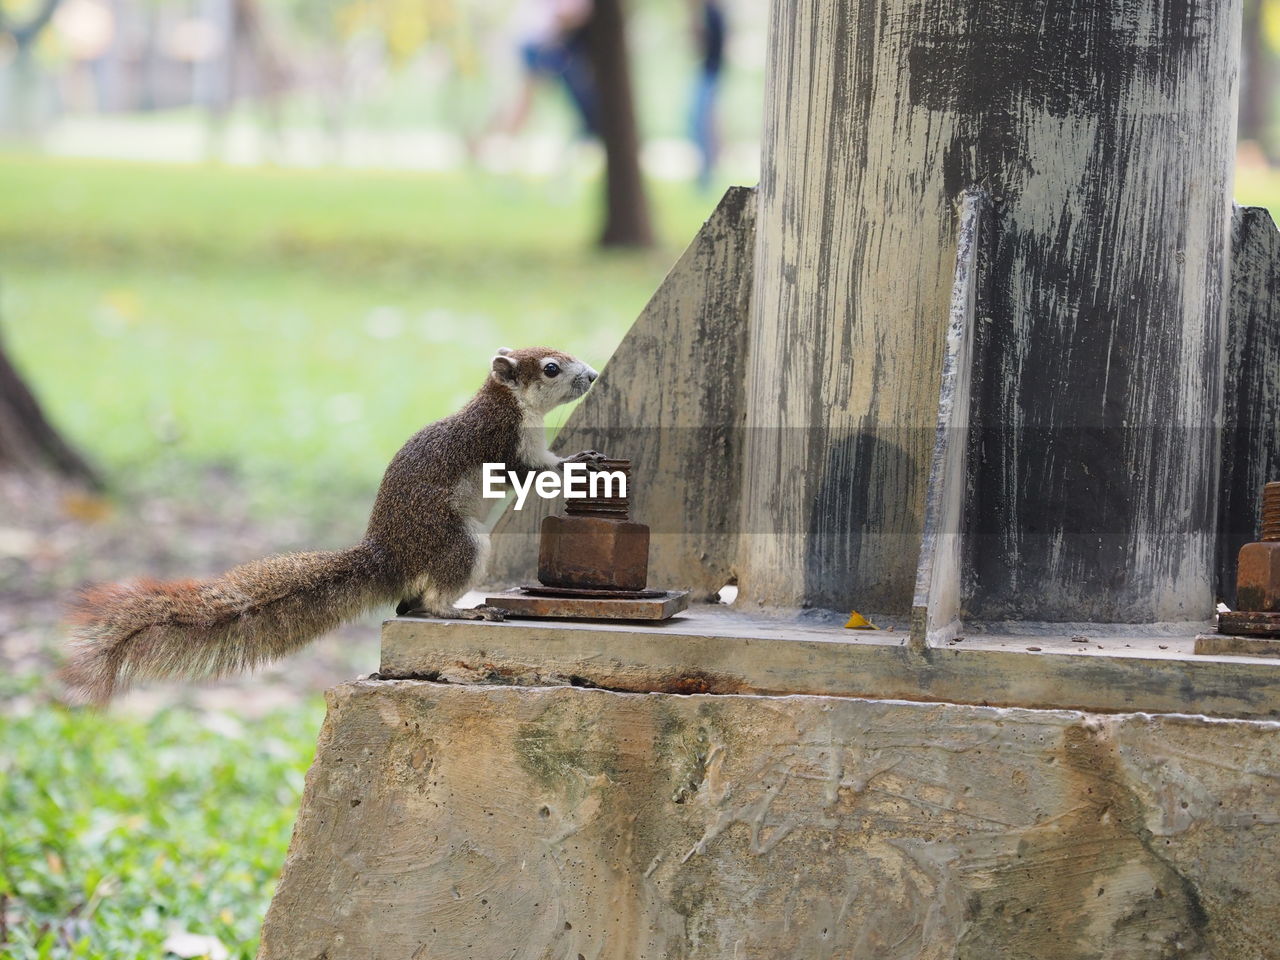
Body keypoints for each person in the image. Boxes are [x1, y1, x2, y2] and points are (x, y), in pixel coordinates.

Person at [689, 0, 725, 190]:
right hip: (709, 74)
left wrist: (692, 16)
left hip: (709, 76)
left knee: (703, 127)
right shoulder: (713, 13)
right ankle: (705, 175)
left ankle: (706, 177)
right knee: (702, 126)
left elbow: (698, 45)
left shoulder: (710, 14)